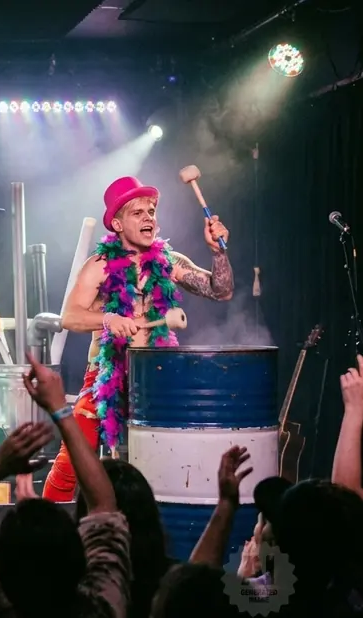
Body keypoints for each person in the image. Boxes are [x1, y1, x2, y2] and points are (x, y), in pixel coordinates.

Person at [44, 176, 233, 501]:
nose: (149, 218)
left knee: (165, 464)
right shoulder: (100, 266)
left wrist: (218, 253)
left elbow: (221, 290)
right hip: (106, 374)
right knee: (72, 459)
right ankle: (43, 534)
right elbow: (70, 316)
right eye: (138, 212)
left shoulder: (169, 262)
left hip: (157, 375)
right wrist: (107, 318)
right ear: (117, 223)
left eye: (152, 211)